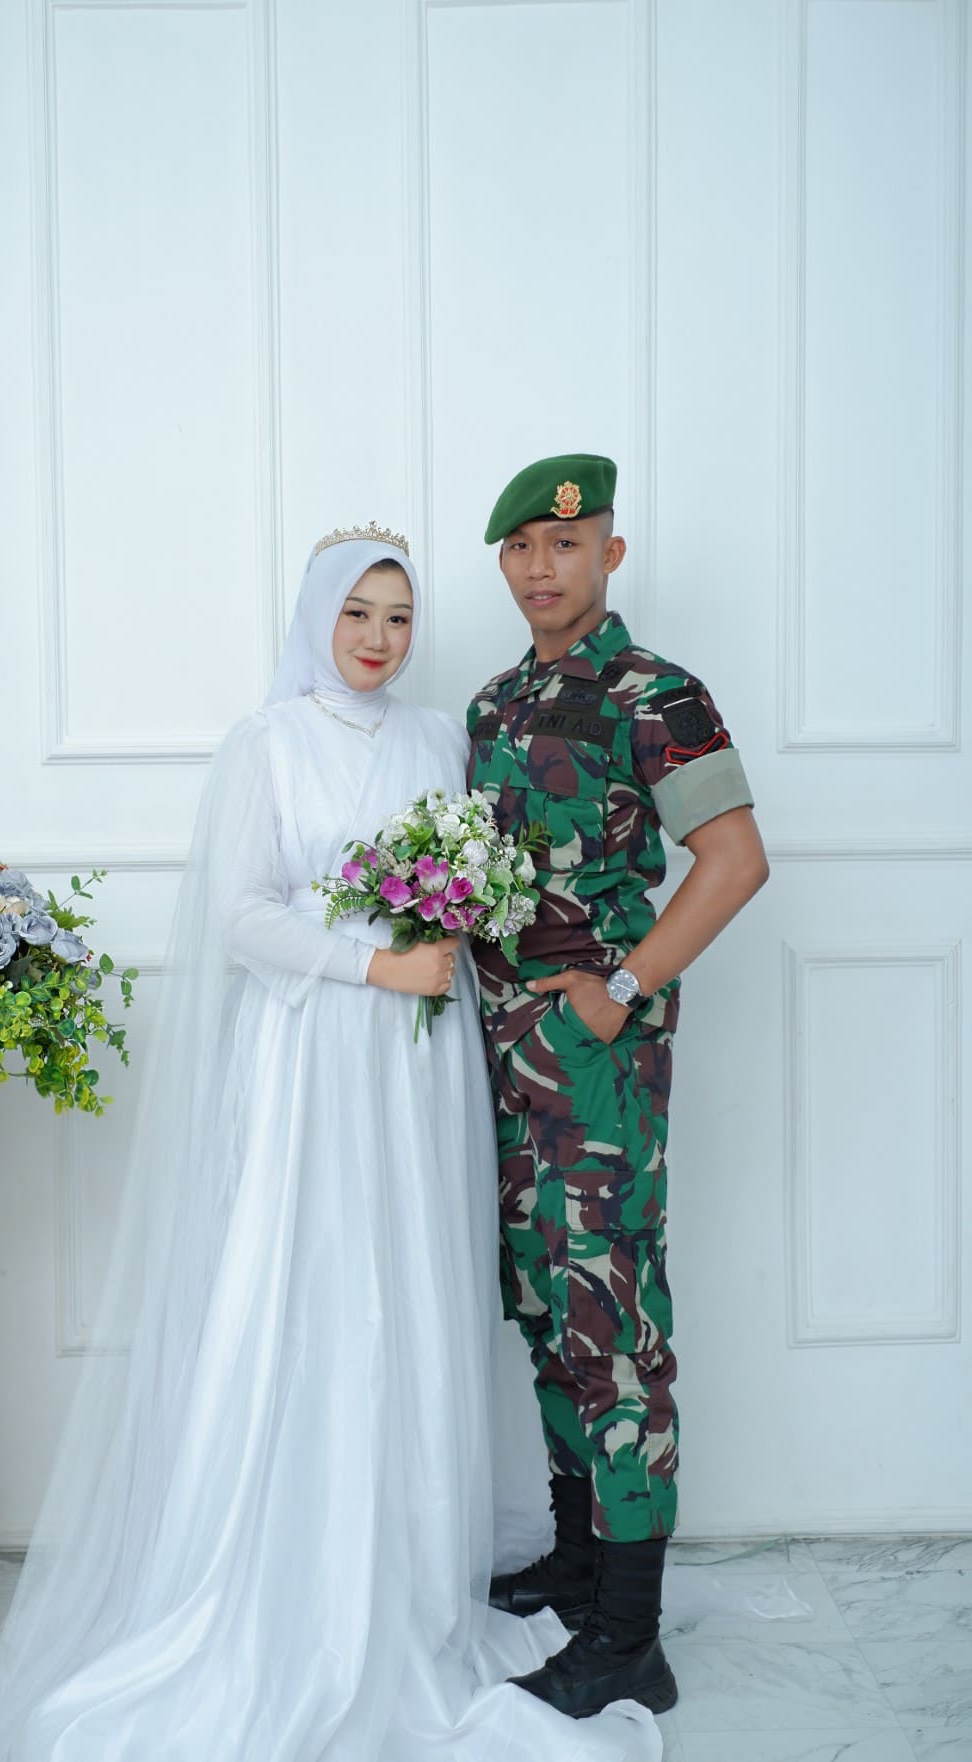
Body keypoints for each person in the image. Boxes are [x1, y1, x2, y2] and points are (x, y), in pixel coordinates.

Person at [0, 525, 662, 1762]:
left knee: (407, 1287)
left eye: (400, 616)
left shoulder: (440, 736)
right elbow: (242, 916)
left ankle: (402, 1569)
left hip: (416, 1067)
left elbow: (483, 882)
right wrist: (376, 966)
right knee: (310, 1284)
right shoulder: (267, 743)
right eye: (357, 613)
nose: (380, 639)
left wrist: (454, 945)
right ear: (316, 617)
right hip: (314, 1057)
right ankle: (291, 1574)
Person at [467, 455, 770, 1720]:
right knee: (544, 1304)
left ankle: (631, 1636)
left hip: (597, 1058)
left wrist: (621, 987)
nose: (543, 568)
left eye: (567, 543)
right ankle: (580, 1560)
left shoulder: (657, 694)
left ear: (610, 552)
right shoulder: (494, 704)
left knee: (613, 1321)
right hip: (503, 1051)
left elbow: (734, 858)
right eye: (522, 548)